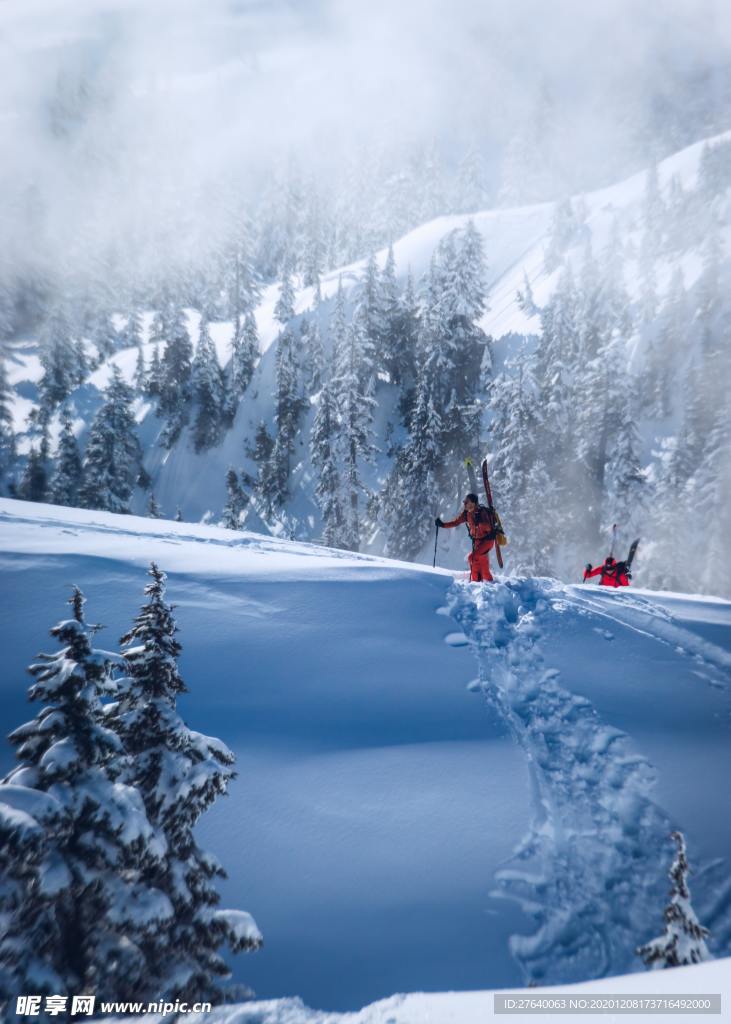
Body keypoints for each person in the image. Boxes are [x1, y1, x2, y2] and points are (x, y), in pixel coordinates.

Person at [436, 493, 497, 582]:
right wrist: (442, 525)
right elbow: (455, 522)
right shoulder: (466, 514)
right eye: (464, 502)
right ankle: (483, 584)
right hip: (477, 542)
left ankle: (477, 582)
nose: (464, 504)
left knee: (471, 558)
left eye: (466, 502)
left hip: (487, 541)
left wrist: (479, 524)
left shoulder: (482, 512)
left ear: (473, 503)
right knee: (484, 569)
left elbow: (489, 527)